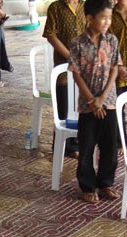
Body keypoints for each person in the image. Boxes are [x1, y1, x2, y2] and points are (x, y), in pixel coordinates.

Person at [70, 0, 121, 204]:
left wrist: (102, 98)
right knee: (87, 146)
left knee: (110, 146)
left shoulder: (112, 40)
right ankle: (87, 186)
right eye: (103, 17)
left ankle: (105, 183)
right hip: (87, 104)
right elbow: (76, 74)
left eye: (110, 17)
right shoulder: (78, 43)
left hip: (108, 102)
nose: (107, 21)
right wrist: (92, 100)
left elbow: (115, 69)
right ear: (90, 18)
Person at [43, 0, 86, 159]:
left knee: (80, 107)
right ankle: (61, 146)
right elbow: (50, 35)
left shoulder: (86, 5)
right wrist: (70, 56)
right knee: (64, 107)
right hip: (64, 68)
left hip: (84, 68)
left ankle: (76, 144)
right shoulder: (55, 7)